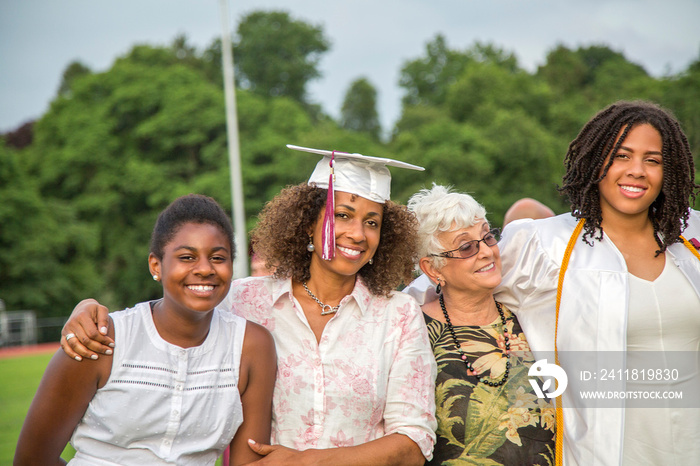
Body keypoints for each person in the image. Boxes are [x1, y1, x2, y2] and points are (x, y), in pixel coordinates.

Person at [59, 145, 438, 465]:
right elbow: (168, 319)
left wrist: (303, 461)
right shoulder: (243, 300)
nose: (358, 233)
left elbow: (414, 441)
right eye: (343, 215)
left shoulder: (398, 315)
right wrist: (88, 307)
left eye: (372, 222)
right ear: (308, 222)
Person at [406, 100, 700, 465]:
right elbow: (441, 282)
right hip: (600, 453)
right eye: (622, 156)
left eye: (652, 160)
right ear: (596, 162)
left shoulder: (693, 241)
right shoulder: (546, 246)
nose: (637, 171)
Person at [15, 194, 276, 465]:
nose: (204, 269)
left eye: (218, 258)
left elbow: (249, 462)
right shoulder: (100, 337)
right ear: (156, 265)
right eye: (187, 257)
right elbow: (31, 459)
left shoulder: (251, 346)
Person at [408, 184, 555, 465]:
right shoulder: (413, 330)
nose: (487, 252)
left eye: (487, 237)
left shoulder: (530, 316)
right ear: (432, 268)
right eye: (466, 247)